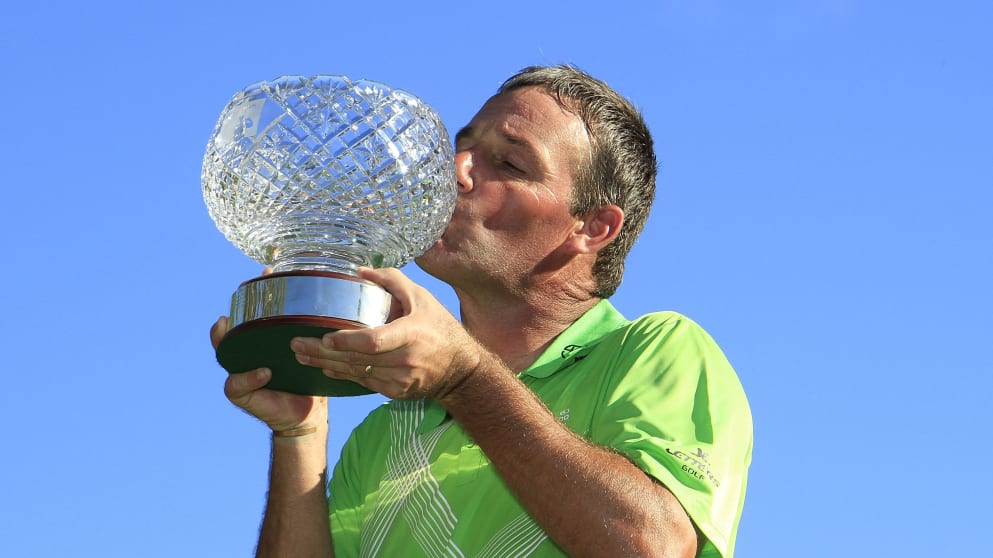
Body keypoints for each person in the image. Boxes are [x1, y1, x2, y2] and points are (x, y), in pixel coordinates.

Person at [211, 65, 752, 558]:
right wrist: (300, 437)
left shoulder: (654, 352)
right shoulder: (385, 431)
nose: (457, 170)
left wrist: (467, 379)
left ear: (591, 228)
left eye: (510, 162)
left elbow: (652, 547)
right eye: (461, 147)